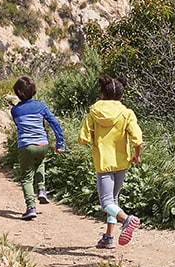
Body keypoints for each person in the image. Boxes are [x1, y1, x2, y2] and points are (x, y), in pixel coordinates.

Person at [76, 74, 143, 249]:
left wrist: (93, 138)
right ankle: (108, 237)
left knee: (106, 202)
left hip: (104, 163)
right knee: (113, 199)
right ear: (121, 96)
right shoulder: (127, 113)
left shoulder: (93, 112)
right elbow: (137, 138)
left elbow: (82, 138)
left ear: (102, 95)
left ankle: (127, 219)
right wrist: (137, 154)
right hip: (122, 161)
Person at [9, 76, 65, 220]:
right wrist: (60, 143)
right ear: (34, 91)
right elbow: (55, 124)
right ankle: (41, 189)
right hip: (43, 144)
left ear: (18, 93)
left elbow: (19, 125)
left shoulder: (15, 110)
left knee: (27, 177)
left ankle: (31, 207)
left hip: (26, 146)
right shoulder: (41, 106)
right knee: (40, 163)